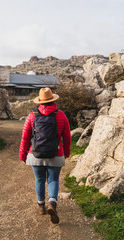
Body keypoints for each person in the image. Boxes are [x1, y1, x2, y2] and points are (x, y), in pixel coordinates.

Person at [19, 87, 71, 224]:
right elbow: (67, 137)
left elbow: (25, 137)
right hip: (56, 153)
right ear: (53, 99)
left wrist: (22, 156)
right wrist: (66, 152)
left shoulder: (32, 115)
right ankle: (52, 204)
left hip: (35, 154)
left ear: (40, 101)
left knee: (39, 179)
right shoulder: (61, 115)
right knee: (53, 180)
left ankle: (41, 206)